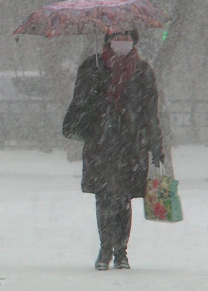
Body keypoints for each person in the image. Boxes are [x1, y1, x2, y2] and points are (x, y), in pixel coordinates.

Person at [62, 30, 164, 270]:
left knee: (123, 199)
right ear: (108, 41)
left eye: (127, 39)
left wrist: (155, 144)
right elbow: (80, 101)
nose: (122, 43)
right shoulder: (92, 66)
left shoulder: (143, 71)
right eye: (118, 38)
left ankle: (121, 251)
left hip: (131, 144)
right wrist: (98, 94)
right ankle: (105, 248)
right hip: (101, 142)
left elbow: (150, 111)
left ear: (134, 42)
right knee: (104, 197)